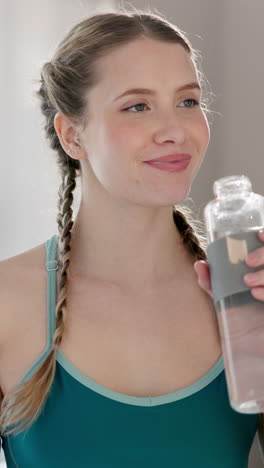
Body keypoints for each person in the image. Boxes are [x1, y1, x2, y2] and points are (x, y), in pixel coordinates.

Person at [1, 5, 264, 467]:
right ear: (72, 135)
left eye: (188, 101)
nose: (175, 130)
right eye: (137, 106)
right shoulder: (7, 303)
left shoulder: (245, 294)